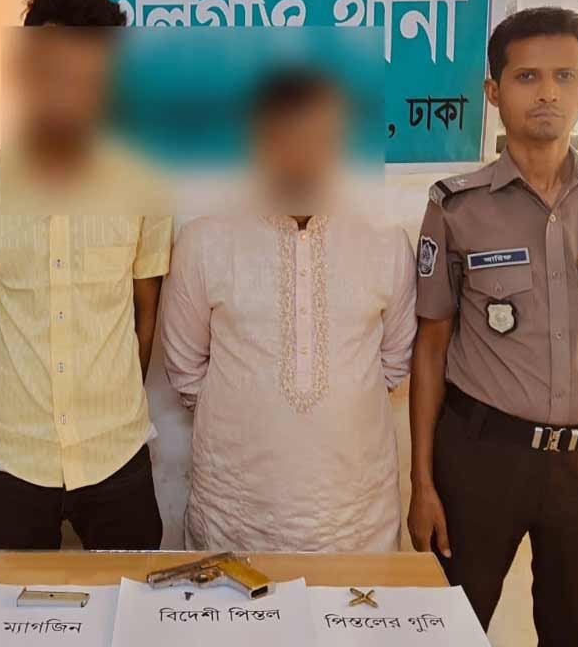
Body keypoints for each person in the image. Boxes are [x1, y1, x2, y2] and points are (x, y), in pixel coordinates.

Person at [407, 7, 578, 645]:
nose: (547, 93)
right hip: (481, 459)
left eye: (564, 76)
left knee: (576, 633)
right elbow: (431, 346)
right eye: (527, 77)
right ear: (494, 92)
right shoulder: (456, 207)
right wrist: (422, 483)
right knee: (448, 632)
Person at [0, 0, 171, 563]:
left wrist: (106, 403)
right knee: (15, 606)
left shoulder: (145, 184)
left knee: (131, 605)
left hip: (116, 448)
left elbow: (145, 314)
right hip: (17, 453)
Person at [161, 68, 416, 552]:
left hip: (355, 519)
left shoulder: (385, 242)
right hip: (237, 512)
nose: (301, 157)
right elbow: (185, 368)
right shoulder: (205, 241)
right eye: (284, 139)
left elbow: (393, 363)